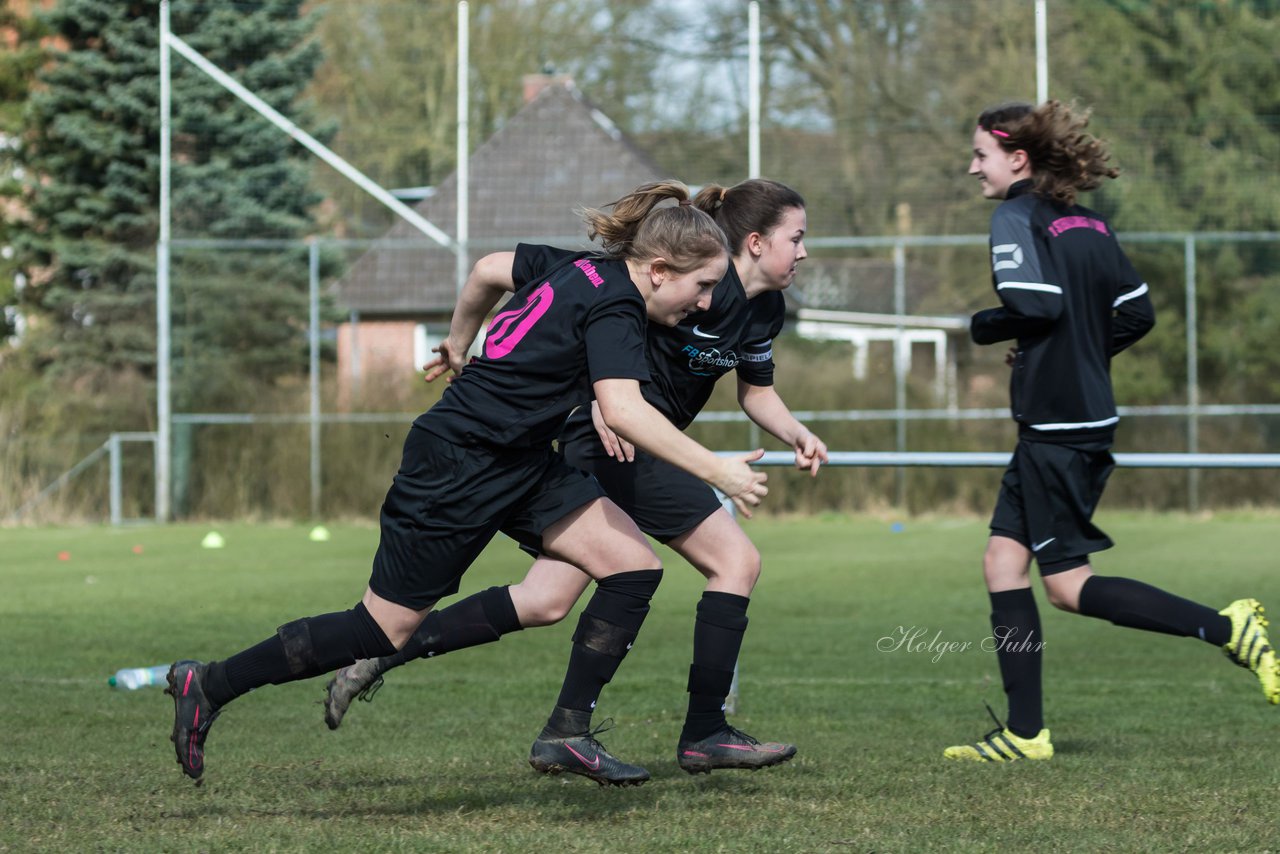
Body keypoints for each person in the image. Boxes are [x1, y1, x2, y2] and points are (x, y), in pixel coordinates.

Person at [165, 180, 771, 785]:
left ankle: (567, 733)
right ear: (661, 270)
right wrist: (718, 469)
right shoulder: (616, 304)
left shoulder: (587, 268)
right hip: (458, 464)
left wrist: (458, 343)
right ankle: (211, 681)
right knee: (379, 628)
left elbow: (486, 270)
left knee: (631, 567)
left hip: (520, 460)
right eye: (703, 286)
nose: (705, 302)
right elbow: (623, 410)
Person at [322, 179, 827, 781]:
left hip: (643, 444)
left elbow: (757, 391)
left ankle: (388, 649)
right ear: (754, 240)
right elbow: (551, 301)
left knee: (544, 601)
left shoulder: (764, 309)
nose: (802, 251)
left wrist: (794, 430)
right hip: (618, 443)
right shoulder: (667, 277)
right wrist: (477, 353)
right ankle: (701, 732)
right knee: (735, 562)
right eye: (795, 238)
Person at [944, 100, 1279, 763]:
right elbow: (1137, 314)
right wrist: (1075, 354)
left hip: (1056, 427)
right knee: (1002, 563)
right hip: (1079, 414)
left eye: (980, 153)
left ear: (1019, 158)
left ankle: (1227, 627)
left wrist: (988, 327)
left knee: (1067, 585)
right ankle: (1025, 733)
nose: (972, 165)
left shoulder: (1014, 215)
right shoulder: (1089, 221)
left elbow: (1037, 303)